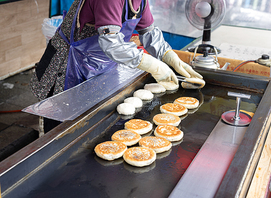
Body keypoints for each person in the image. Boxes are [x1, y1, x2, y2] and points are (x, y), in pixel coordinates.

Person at [30, 0, 203, 132]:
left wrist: (168, 55)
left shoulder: (139, 2)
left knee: (90, 122)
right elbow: (111, 44)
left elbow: (148, 32)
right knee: (62, 125)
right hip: (69, 65)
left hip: (100, 64)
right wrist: (153, 65)